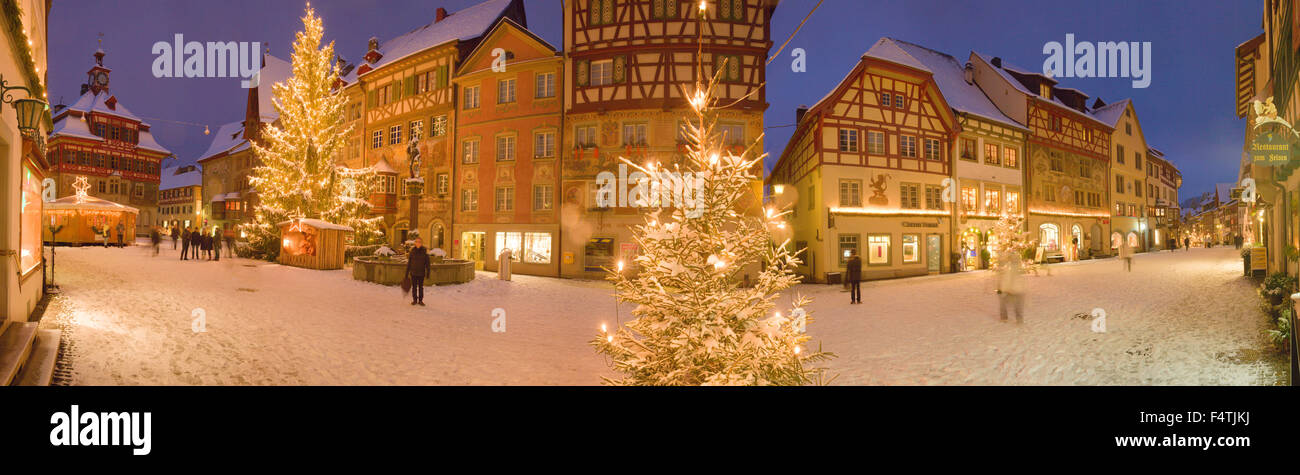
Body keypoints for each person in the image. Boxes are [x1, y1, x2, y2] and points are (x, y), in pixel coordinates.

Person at [997, 256, 1026, 323]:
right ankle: (1018, 319)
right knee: (1016, 305)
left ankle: (1004, 317)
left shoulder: (1008, 268)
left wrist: (1001, 288)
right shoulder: (1014, 268)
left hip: (1012, 289)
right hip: (1016, 289)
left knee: (1004, 303)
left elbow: (1005, 279)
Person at [406, 237, 430, 306]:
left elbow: (427, 263)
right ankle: (414, 300)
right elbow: (409, 263)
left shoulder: (424, 252)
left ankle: (420, 300)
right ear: (415, 243)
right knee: (414, 287)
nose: (418, 243)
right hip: (413, 272)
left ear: (421, 243)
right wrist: (406, 273)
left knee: (420, 287)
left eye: (419, 242)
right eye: (417, 241)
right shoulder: (412, 251)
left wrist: (428, 272)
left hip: (421, 273)